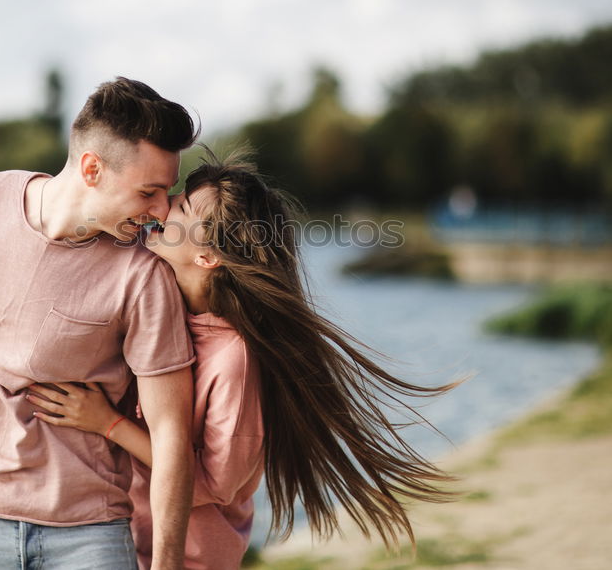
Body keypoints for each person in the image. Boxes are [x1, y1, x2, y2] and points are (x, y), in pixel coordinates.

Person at [27, 150, 458, 569]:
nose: (163, 205)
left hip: (193, 558)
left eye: (182, 206)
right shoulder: (162, 311)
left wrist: (107, 424)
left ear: (208, 256)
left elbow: (212, 484)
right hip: (119, 541)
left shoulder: (235, 360)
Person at [0, 77, 199, 570]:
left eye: (166, 193)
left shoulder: (144, 276)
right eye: (149, 192)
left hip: (89, 536)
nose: (161, 211)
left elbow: (172, 437)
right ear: (92, 169)